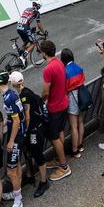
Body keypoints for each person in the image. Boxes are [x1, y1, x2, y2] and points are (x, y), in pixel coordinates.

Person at [8, 71, 50, 198]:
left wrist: (24, 131)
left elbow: (27, 117)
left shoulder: (24, 96)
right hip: (36, 128)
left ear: (14, 83)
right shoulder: (26, 91)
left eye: (11, 81)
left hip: (34, 130)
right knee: (29, 154)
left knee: (38, 155)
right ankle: (30, 175)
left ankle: (44, 182)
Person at [0, 71, 25, 207]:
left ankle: (18, 200)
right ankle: (17, 192)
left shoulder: (8, 98)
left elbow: (17, 121)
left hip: (16, 136)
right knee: (16, 165)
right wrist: (4, 122)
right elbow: (14, 117)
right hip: (19, 133)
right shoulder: (11, 93)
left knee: (11, 171)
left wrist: (11, 141)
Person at [38, 40, 72, 181]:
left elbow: (45, 92)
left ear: (44, 53)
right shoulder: (59, 62)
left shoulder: (48, 69)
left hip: (55, 107)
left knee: (54, 137)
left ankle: (64, 167)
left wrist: (40, 100)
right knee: (59, 132)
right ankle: (59, 158)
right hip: (63, 103)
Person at [60, 49, 86, 158]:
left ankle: (75, 150)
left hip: (72, 97)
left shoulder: (66, 71)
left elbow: (65, 88)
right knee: (80, 122)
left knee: (73, 126)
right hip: (81, 96)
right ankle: (80, 145)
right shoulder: (79, 67)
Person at [16, 2, 46, 67]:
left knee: (26, 41)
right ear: (38, 6)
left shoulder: (27, 9)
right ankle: (23, 57)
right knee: (34, 42)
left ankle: (20, 55)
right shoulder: (37, 13)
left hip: (18, 26)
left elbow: (26, 19)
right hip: (25, 27)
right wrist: (44, 32)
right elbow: (39, 25)